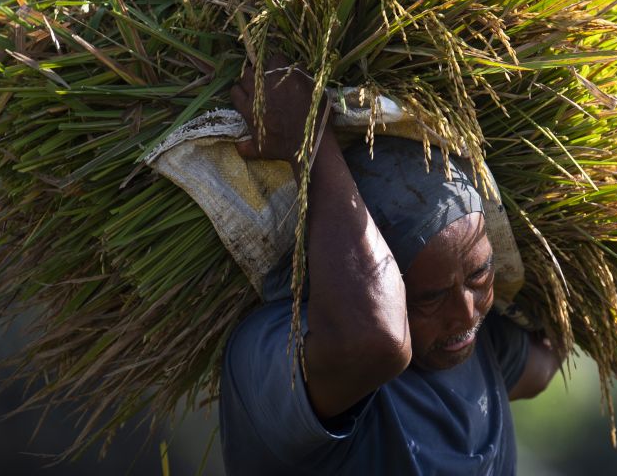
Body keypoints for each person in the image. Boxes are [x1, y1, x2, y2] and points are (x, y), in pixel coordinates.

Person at [219, 57, 561, 474]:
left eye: (479, 274)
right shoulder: (272, 353)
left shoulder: (470, 343)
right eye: (429, 297)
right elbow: (376, 340)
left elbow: (543, 366)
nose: (466, 312)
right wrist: (308, 142)